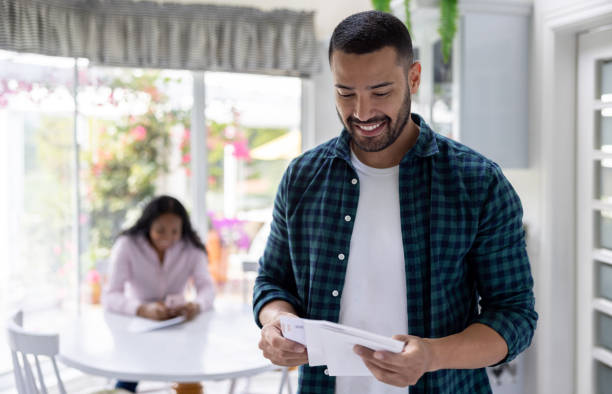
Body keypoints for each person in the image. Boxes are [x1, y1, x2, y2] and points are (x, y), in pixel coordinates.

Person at [253, 10, 537, 394]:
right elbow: (272, 282)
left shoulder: (478, 182)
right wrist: (276, 324)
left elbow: (515, 316)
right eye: (345, 93)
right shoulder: (302, 178)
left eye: (381, 92)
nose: (362, 112)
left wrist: (432, 356)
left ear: (414, 77)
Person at [102, 195, 215, 393]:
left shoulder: (192, 248)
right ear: (148, 225)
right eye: (160, 230)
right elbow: (110, 296)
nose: (168, 238)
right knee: (129, 375)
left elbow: (208, 288)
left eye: (175, 232)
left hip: (180, 328)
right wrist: (141, 309)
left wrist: (195, 305)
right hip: (137, 330)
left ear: (183, 229)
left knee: (191, 371)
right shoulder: (128, 245)